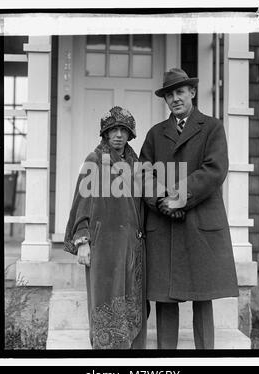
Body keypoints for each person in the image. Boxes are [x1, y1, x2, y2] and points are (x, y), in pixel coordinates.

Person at [139, 68, 239, 349]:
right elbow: (143, 173)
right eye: (169, 94)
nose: (175, 99)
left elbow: (214, 170)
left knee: (202, 296)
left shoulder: (212, 127)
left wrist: (178, 195)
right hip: (163, 223)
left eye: (180, 92)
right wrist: (162, 199)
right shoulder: (155, 134)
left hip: (200, 220)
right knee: (165, 299)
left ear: (192, 92)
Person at [64, 106, 147, 349]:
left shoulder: (135, 163)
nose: (118, 134)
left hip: (131, 245)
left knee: (132, 301)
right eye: (113, 130)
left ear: (130, 134)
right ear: (105, 134)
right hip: (104, 245)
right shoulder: (95, 159)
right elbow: (82, 201)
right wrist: (83, 241)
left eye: (123, 130)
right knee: (105, 299)